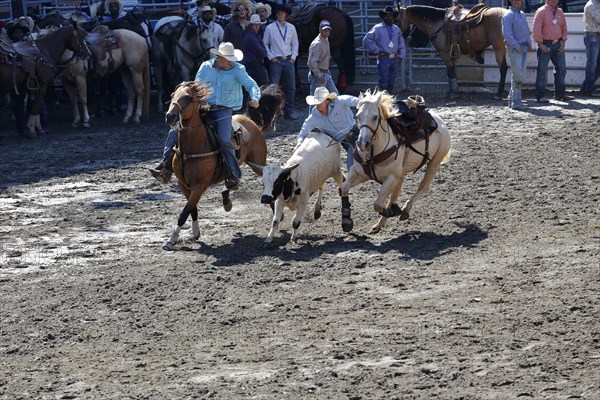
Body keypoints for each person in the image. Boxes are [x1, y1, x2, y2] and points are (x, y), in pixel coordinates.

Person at [149, 42, 261, 190]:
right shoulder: (205, 67)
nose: (230, 61)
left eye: (231, 58)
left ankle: (233, 173)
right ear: (219, 57)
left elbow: (251, 84)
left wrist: (255, 98)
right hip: (203, 108)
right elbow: (196, 85)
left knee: (224, 139)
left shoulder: (238, 69)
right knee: (175, 130)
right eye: (228, 58)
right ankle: (165, 167)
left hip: (223, 110)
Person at [296, 87, 359, 171]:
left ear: (327, 100)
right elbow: (303, 131)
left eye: (320, 101)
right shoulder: (314, 117)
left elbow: (359, 101)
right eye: (316, 102)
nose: (317, 104)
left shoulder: (340, 101)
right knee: (351, 166)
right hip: (345, 142)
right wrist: (299, 141)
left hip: (355, 131)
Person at [263, 5, 300, 120]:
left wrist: (293, 57)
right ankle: (275, 112)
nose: (280, 15)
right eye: (278, 13)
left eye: (282, 13)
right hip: (276, 61)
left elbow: (295, 44)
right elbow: (265, 44)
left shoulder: (292, 27)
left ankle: (289, 111)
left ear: (286, 14)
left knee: (291, 87)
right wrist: (271, 57)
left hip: (288, 60)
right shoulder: (270, 28)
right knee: (274, 88)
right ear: (276, 14)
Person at [532, 0, 573, 102]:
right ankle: (540, 96)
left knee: (562, 69)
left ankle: (560, 94)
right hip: (545, 44)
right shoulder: (541, 11)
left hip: (558, 44)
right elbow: (536, 29)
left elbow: (564, 27)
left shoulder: (560, 12)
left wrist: (563, 42)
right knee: (542, 71)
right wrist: (541, 44)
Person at [363, 6, 406, 94]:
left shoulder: (396, 29)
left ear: (393, 17)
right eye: (386, 15)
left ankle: (388, 98)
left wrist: (401, 56)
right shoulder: (378, 28)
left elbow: (401, 43)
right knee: (384, 81)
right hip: (384, 58)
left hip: (394, 58)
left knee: (392, 81)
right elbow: (367, 39)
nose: (388, 17)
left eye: (390, 15)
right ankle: (383, 100)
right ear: (383, 17)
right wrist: (377, 50)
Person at [502, 0, 533, 110]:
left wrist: (528, 43)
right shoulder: (508, 15)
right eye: (515, 0)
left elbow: (526, 31)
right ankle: (515, 101)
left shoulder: (522, 15)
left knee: (519, 73)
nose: (518, 2)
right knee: (518, 74)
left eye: (519, 0)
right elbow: (507, 34)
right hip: (516, 48)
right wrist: (516, 45)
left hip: (521, 47)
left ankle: (513, 99)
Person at [307, 20, 338, 101]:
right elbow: (311, 62)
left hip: (325, 73)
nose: (326, 32)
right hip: (319, 75)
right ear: (320, 30)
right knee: (316, 100)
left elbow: (323, 58)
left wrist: (327, 69)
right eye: (324, 30)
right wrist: (319, 75)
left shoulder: (325, 41)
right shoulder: (317, 43)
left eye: (328, 30)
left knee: (335, 97)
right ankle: (313, 114)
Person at [580, 0, 600, 97]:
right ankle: (589, 89)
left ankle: (586, 87)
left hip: (595, 36)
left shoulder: (595, 4)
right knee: (592, 65)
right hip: (593, 36)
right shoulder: (591, 5)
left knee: (594, 65)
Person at [243, 14, 269, 86]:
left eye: (258, 24)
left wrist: (264, 52)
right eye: (255, 24)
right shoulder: (251, 36)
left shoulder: (253, 35)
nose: (257, 26)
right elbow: (261, 52)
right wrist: (264, 52)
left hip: (254, 63)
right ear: (251, 25)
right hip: (254, 64)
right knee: (262, 85)